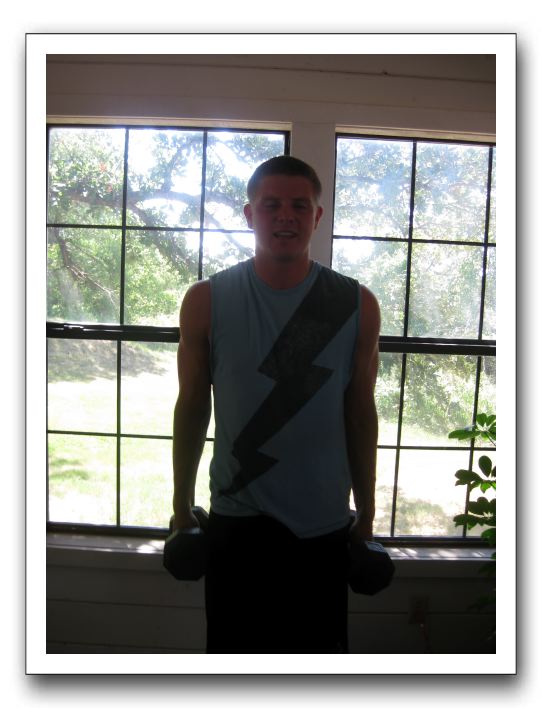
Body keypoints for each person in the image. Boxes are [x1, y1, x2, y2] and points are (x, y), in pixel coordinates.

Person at [171, 155, 380, 653]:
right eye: (271, 205)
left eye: (299, 205)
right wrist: (180, 506)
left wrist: (368, 514)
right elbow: (192, 408)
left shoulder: (355, 304)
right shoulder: (205, 300)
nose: (286, 215)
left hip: (322, 525)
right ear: (249, 214)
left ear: (317, 216)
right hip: (237, 521)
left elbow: (360, 414)